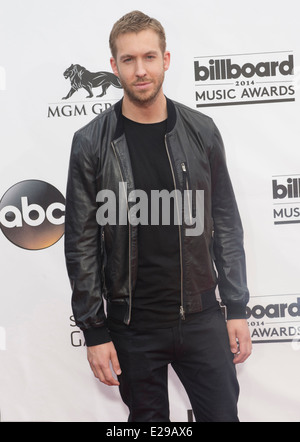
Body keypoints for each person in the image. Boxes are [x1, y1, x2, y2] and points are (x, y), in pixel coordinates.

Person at [65, 10, 252, 422]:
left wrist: (236, 307)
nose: (141, 70)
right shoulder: (91, 143)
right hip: (132, 326)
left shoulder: (202, 130)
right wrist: (94, 330)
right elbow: (81, 245)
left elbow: (224, 221)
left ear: (166, 60)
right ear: (114, 67)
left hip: (202, 318)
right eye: (128, 60)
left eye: (149, 57)